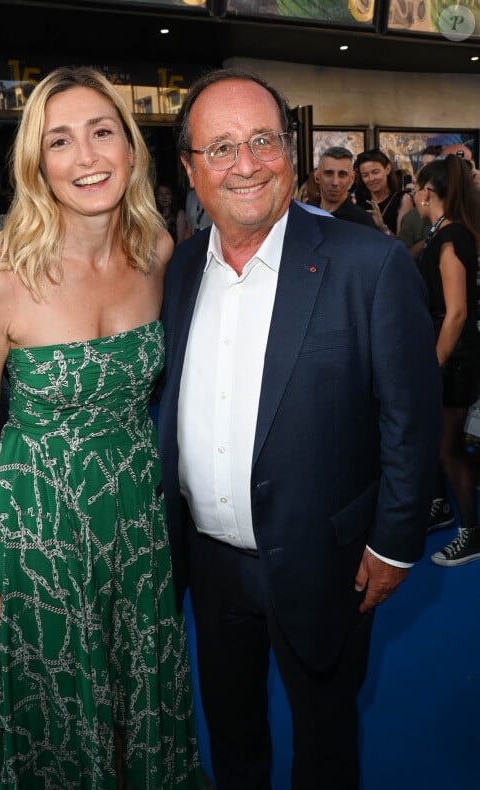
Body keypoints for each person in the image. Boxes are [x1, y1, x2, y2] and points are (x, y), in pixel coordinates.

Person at [158, 68, 442, 790]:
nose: (245, 164)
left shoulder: (368, 264)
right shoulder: (178, 269)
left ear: (292, 150)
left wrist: (394, 543)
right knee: (231, 731)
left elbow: (409, 417)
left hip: (328, 560)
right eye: (219, 148)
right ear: (190, 168)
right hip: (209, 564)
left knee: (324, 739)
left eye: (261, 140)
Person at [0, 66, 202, 788]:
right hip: (39, 524)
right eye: (61, 141)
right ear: (38, 162)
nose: (86, 158)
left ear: (130, 148)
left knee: (139, 685)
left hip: (136, 513)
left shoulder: (159, 253)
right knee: (64, 703)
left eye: (102, 133)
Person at [414, 155, 480, 567]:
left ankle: (472, 533)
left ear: (425, 192)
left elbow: (456, 312)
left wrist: (432, 365)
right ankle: (438, 508)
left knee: (448, 450)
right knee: (437, 442)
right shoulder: (441, 231)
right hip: (448, 353)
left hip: (455, 358)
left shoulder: (451, 236)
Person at [314, 146, 377, 228]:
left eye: (342, 174)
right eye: (329, 173)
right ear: (317, 176)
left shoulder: (362, 221)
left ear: (352, 178)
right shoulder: (305, 213)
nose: (335, 182)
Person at [355, 149, 412, 235]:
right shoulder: (359, 199)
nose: (371, 179)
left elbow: (402, 244)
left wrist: (382, 226)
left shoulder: (403, 199)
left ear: (387, 169)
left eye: (375, 172)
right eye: (365, 175)